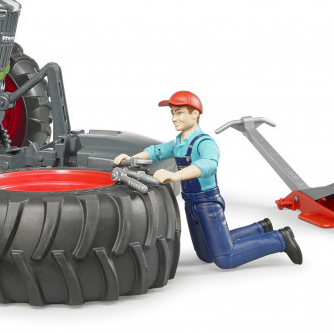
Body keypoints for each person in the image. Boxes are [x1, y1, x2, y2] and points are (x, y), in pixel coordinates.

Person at [114, 91, 302, 268]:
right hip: (190, 202)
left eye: (179, 113)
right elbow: (156, 152)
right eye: (172, 113)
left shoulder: (205, 142)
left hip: (207, 202)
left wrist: (175, 176)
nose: (174, 118)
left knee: (225, 258)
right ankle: (260, 228)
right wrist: (130, 159)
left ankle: (281, 239)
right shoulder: (179, 143)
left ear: (195, 114)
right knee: (206, 254)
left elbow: (208, 165)